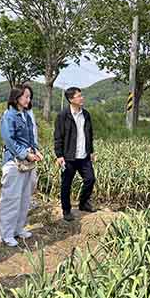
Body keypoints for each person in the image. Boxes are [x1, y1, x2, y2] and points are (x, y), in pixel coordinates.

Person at [0, 85, 42, 246]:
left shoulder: (26, 116)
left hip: (28, 162)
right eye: (25, 96)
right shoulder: (9, 116)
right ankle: (5, 234)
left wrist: (36, 151)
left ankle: (18, 228)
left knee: (24, 197)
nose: (28, 100)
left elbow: (31, 138)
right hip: (14, 162)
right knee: (11, 198)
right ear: (16, 97)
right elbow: (9, 140)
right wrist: (25, 154)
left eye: (30, 97)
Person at [54, 87, 96, 221]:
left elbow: (90, 135)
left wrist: (91, 151)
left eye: (81, 95)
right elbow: (58, 136)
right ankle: (66, 210)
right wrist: (59, 155)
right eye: (78, 96)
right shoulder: (63, 116)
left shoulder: (86, 114)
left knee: (90, 179)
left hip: (84, 156)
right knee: (66, 184)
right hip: (69, 157)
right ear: (71, 99)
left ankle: (83, 203)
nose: (81, 98)